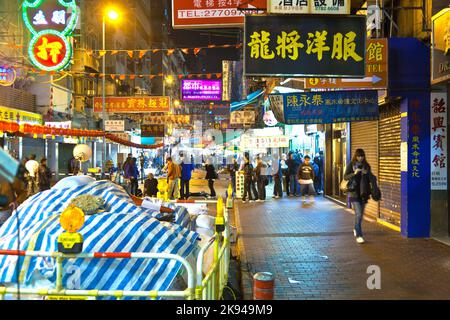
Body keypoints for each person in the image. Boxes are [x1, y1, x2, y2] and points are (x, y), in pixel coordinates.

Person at [344, 149, 373, 244]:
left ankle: (356, 228)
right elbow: (345, 177)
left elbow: (371, 178)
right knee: (359, 213)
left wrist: (367, 173)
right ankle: (359, 235)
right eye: (358, 156)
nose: (360, 158)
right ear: (355, 156)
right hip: (354, 193)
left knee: (360, 216)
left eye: (362, 156)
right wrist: (354, 173)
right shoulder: (351, 165)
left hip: (364, 193)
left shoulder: (366, 166)